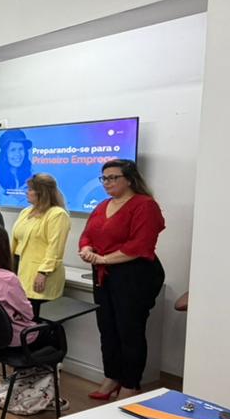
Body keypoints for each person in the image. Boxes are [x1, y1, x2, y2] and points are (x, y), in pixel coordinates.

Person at [77, 159, 166, 400]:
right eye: (104, 178)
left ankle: (131, 383)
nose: (107, 182)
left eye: (113, 177)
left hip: (134, 275)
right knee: (107, 328)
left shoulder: (144, 205)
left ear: (129, 179)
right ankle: (112, 376)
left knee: (130, 330)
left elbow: (140, 245)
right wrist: (86, 249)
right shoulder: (103, 205)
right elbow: (87, 234)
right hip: (103, 274)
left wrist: (104, 259)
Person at [11, 173, 71, 314]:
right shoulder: (26, 212)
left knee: (37, 317)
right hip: (21, 268)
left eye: (30, 189)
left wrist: (43, 273)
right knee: (23, 317)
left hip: (42, 273)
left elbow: (55, 248)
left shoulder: (57, 214)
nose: (27, 192)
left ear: (42, 192)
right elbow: (16, 241)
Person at [0, 129, 33, 205]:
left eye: (21, 149)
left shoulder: (31, 175)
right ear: (5, 154)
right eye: (13, 150)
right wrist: (16, 198)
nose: (18, 154)